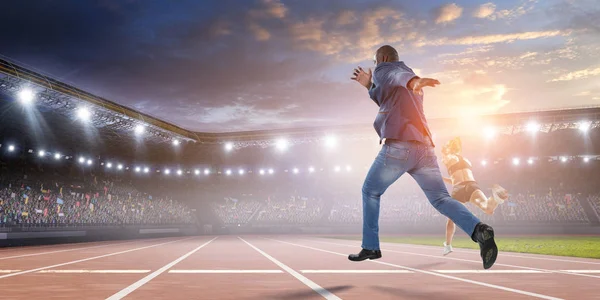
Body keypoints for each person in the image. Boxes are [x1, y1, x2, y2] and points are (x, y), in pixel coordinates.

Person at [348, 45, 498, 269]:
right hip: (425, 150)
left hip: (400, 147)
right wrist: (369, 85)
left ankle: (371, 246)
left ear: (384, 58)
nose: (376, 67)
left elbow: (398, 76)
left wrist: (413, 81)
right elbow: (389, 99)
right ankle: (480, 231)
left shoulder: (386, 69)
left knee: (370, 191)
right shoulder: (401, 83)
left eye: (376, 61)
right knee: (441, 199)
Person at [440, 137, 509, 256]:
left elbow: (455, 179)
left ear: (449, 149)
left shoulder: (448, 158)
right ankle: (495, 198)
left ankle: (448, 245)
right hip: (471, 185)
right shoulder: (466, 160)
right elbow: (458, 176)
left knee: (451, 219)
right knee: (487, 208)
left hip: (458, 189)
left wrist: (444, 154)